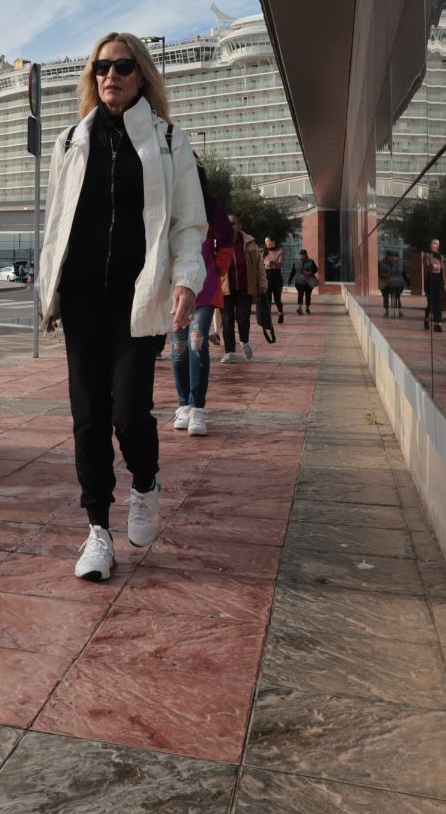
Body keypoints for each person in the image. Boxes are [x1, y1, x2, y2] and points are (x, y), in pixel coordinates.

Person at [37, 32, 205, 580]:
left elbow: (187, 222)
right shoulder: (70, 140)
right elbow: (56, 223)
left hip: (140, 292)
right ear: (93, 76)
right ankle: (96, 532)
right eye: (102, 67)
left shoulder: (169, 140)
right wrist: (51, 290)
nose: (112, 75)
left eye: (124, 66)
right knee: (88, 412)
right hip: (83, 295)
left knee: (129, 410)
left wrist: (186, 279)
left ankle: (145, 481)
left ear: (142, 76)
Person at [171, 164, 231, 436]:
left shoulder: (210, 204)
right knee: (178, 347)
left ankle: (198, 409)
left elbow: (228, 239)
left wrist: (218, 269)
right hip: (172, 287)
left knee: (197, 342)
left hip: (204, 287)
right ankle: (182, 404)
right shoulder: (166, 198)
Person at [219, 215, 265, 362]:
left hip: (245, 288)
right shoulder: (218, 243)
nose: (229, 226)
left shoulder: (250, 243)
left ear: (240, 225)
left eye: (233, 224)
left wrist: (263, 284)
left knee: (243, 318)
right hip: (225, 289)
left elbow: (259, 266)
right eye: (226, 224)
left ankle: (244, 342)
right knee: (227, 320)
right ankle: (229, 352)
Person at [415, 238, 446, 331]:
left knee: (439, 303)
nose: (435, 246)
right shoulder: (426, 255)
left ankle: (438, 324)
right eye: (433, 244)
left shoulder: (440, 256)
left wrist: (445, 283)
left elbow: (443, 271)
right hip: (431, 279)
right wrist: (434, 266)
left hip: (439, 280)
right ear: (430, 245)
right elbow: (427, 267)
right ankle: (426, 318)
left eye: (437, 244)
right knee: (431, 303)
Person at [262, 235, 286, 326]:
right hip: (266, 278)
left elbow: (280, 264)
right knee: (267, 299)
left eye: (267, 241)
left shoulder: (280, 251)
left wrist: (272, 263)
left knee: (277, 299)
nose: (266, 243)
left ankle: (280, 313)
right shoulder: (263, 252)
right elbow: (260, 264)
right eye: (265, 242)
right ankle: (268, 318)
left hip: (276, 278)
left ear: (273, 241)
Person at [379, 251, 408, 317]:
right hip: (386, 283)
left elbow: (403, 274)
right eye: (391, 256)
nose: (393, 258)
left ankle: (399, 311)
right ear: (387, 256)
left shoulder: (399, 263)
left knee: (398, 295)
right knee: (385, 295)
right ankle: (387, 311)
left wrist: (407, 283)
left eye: (394, 257)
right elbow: (380, 273)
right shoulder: (381, 263)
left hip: (397, 283)